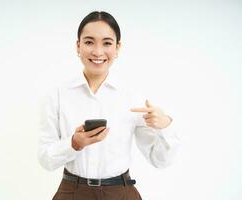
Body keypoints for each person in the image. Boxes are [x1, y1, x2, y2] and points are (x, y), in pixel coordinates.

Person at [38, 11, 180, 200]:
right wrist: (73, 144)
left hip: (120, 193)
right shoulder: (57, 95)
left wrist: (166, 127)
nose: (98, 52)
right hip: (72, 192)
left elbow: (159, 160)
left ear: (117, 48)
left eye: (107, 43)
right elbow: (45, 159)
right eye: (89, 42)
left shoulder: (132, 98)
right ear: (78, 46)